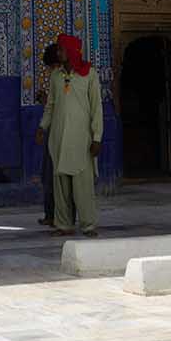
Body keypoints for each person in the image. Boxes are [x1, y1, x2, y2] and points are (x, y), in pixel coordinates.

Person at [37, 33, 103, 236]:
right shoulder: (56, 76)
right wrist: (42, 127)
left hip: (81, 139)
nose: (59, 52)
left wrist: (97, 137)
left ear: (72, 51)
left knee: (82, 187)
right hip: (58, 138)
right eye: (58, 49)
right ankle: (63, 224)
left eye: (62, 49)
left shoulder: (88, 74)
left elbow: (96, 107)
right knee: (61, 186)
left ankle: (88, 225)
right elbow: (51, 106)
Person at [35, 42, 60, 227]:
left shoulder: (62, 79)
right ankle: (51, 214)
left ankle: (56, 216)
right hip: (53, 131)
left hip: (58, 133)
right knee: (49, 175)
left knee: (53, 176)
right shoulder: (57, 78)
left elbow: (56, 107)